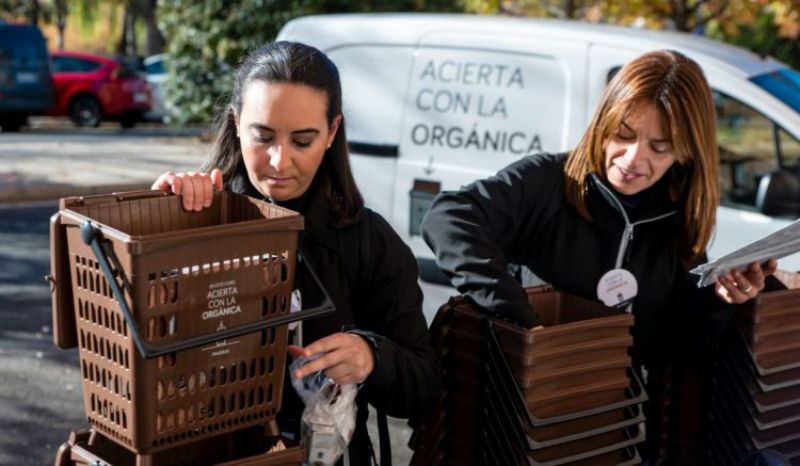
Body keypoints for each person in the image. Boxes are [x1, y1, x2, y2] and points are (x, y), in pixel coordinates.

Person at [420, 50, 779, 461]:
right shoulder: (546, 182)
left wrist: (720, 299)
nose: (633, 159)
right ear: (603, 122)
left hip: (609, 434)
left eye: (659, 147)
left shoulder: (677, 224)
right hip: (514, 424)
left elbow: (671, 350)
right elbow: (447, 217)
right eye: (624, 135)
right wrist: (526, 321)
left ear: (686, 153)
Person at [152, 41, 439, 466]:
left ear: (332, 132)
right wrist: (158, 224)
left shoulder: (367, 242)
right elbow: (137, 353)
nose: (279, 161)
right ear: (236, 123)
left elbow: (424, 385)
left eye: (302, 140)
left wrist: (372, 357)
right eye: (262, 136)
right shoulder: (199, 216)